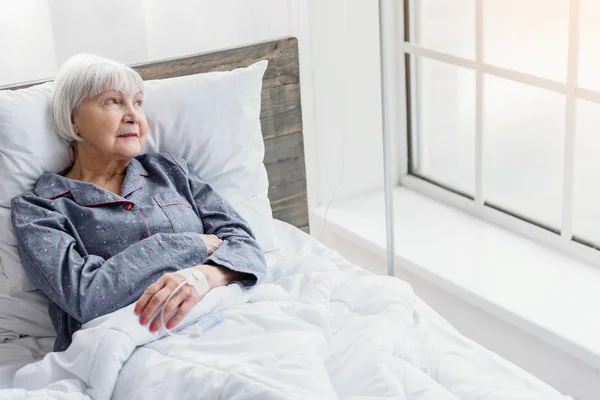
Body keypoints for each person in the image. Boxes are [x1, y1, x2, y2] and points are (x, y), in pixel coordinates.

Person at [10, 54, 267, 352]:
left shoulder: (171, 171)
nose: (132, 115)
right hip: (134, 345)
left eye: (138, 102)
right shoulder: (40, 209)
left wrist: (204, 275)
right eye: (112, 101)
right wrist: (187, 245)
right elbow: (86, 295)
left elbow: (247, 247)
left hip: (224, 318)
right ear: (74, 121)